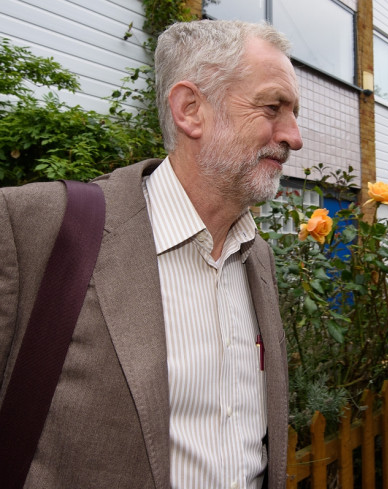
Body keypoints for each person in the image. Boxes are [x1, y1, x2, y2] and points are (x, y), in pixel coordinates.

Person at [0, 20, 302, 488]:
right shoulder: (35, 225)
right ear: (190, 109)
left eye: (294, 114)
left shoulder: (256, 255)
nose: (293, 137)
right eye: (272, 107)